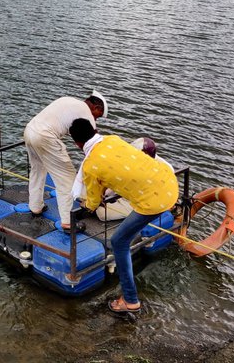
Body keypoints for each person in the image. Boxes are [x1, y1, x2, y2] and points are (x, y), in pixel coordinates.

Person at [69, 118, 178, 314]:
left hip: (154, 200)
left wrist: (85, 203)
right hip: (169, 184)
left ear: (76, 143)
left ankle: (130, 299)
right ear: (95, 130)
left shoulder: (90, 166)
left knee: (119, 242)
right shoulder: (112, 139)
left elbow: (92, 203)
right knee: (122, 237)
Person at [24, 91, 107, 230]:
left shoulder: (68, 100)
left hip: (30, 130)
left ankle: (35, 207)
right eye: (98, 116)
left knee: (37, 170)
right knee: (67, 178)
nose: (96, 120)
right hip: (46, 136)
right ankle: (68, 223)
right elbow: (92, 146)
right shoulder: (87, 115)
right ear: (97, 108)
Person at [71, 136, 175, 222]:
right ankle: (98, 204)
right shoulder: (132, 162)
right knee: (84, 192)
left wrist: (102, 197)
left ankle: (97, 207)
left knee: (102, 214)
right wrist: (104, 193)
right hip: (126, 193)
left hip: (142, 201)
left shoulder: (164, 168)